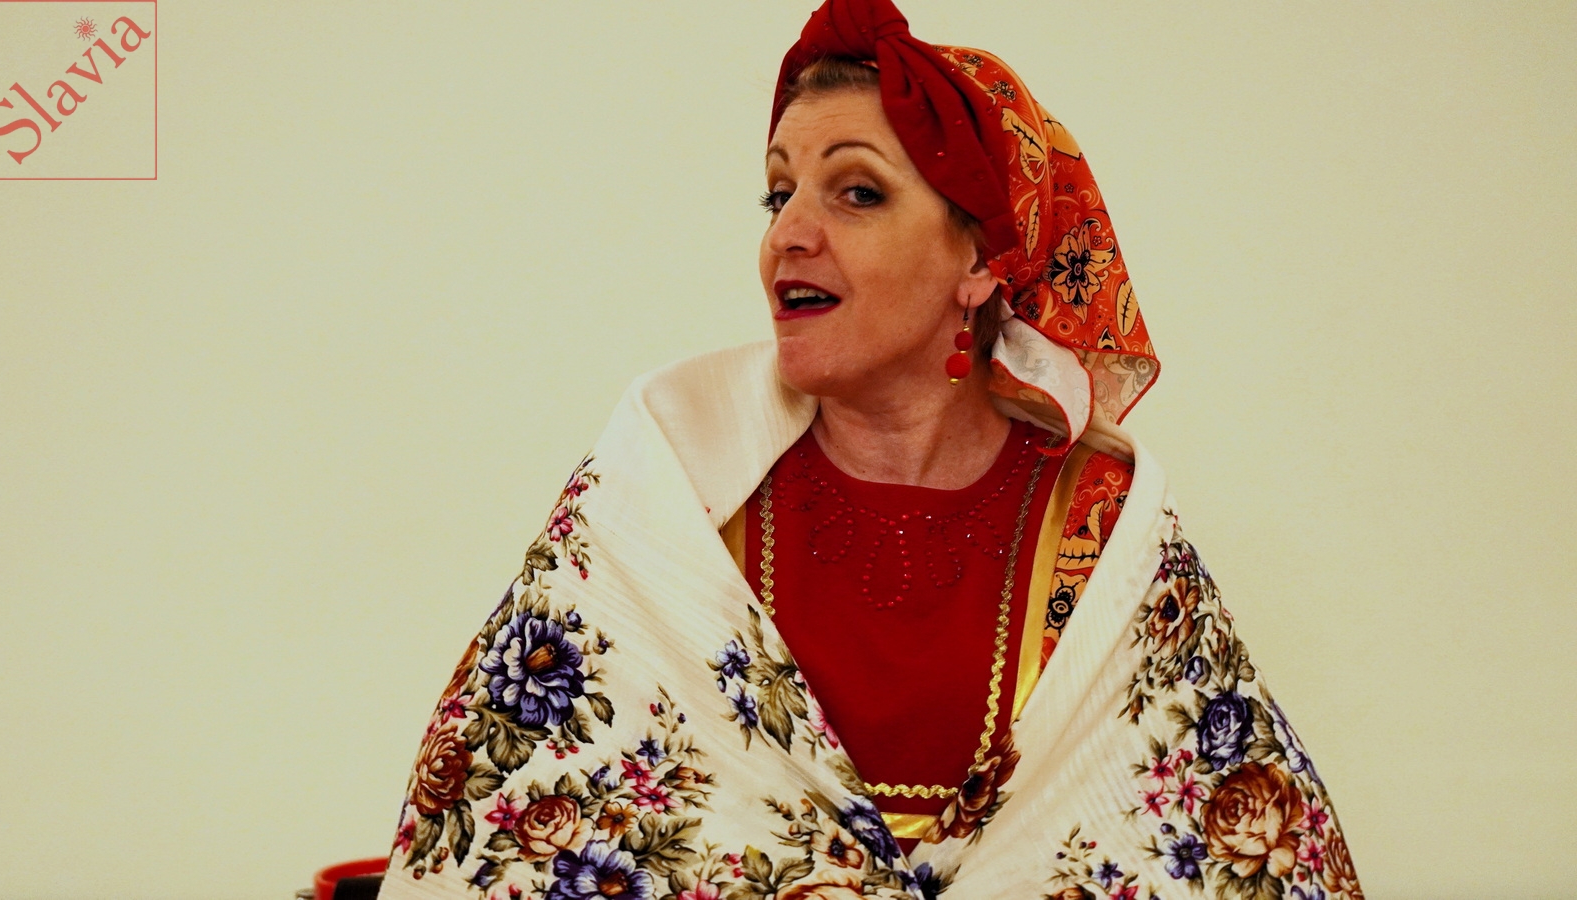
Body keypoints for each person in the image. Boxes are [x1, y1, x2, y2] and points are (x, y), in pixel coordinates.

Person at [375, 2, 1363, 899]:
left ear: (979, 259)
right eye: (777, 195)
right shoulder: (669, 501)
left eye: (855, 193)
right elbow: (507, 828)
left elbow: (1228, 857)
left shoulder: (1098, 526)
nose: (788, 235)